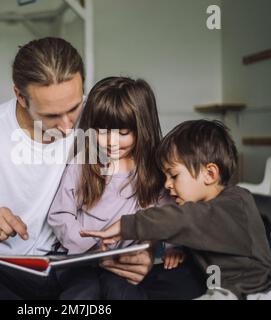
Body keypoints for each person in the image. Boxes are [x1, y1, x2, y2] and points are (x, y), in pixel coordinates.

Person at [0, 37, 177, 300]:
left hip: (83, 265)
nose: (68, 127)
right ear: (20, 96)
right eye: (52, 116)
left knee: (172, 274)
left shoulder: (101, 114)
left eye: (74, 108)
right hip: (11, 268)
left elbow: (152, 186)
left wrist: (147, 249)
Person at [82, 120, 271, 300]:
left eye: (173, 175)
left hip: (260, 289)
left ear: (209, 174)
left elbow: (187, 219)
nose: (167, 185)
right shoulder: (202, 211)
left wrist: (126, 225)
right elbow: (203, 232)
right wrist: (179, 250)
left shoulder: (237, 202)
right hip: (223, 288)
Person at [48, 77, 201, 300]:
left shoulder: (153, 172)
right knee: (83, 293)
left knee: (124, 293)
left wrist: (172, 247)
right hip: (79, 260)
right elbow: (60, 215)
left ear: (142, 129)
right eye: (102, 131)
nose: (111, 142)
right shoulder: (83, 165)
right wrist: (87, 249)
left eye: (123, 133)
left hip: (122, 262)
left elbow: (167, 213)